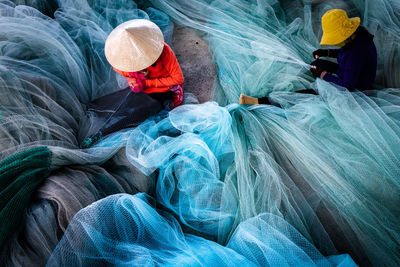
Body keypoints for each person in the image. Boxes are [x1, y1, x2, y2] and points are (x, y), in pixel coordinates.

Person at [239, 9, 377, 105]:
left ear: (346, 35)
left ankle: (260, 101)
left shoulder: (356, 53)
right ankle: (319, 78)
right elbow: (345, 54)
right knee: (317, 63)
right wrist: (326, 53)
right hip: (350, 73)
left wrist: (323, 75)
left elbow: (347, 86)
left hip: (354, 90)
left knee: (307, 95)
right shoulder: (358, 37)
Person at [81, 19, 184, 148]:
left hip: (163, 90)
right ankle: (101, 130)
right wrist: (131, 79)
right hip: (141, 87)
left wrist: (149, 83)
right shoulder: (123, 58)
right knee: (123, 102)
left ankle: (102, 133)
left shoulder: (164, 52)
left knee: (137, 111)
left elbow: (178, 79)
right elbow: (122, 71)